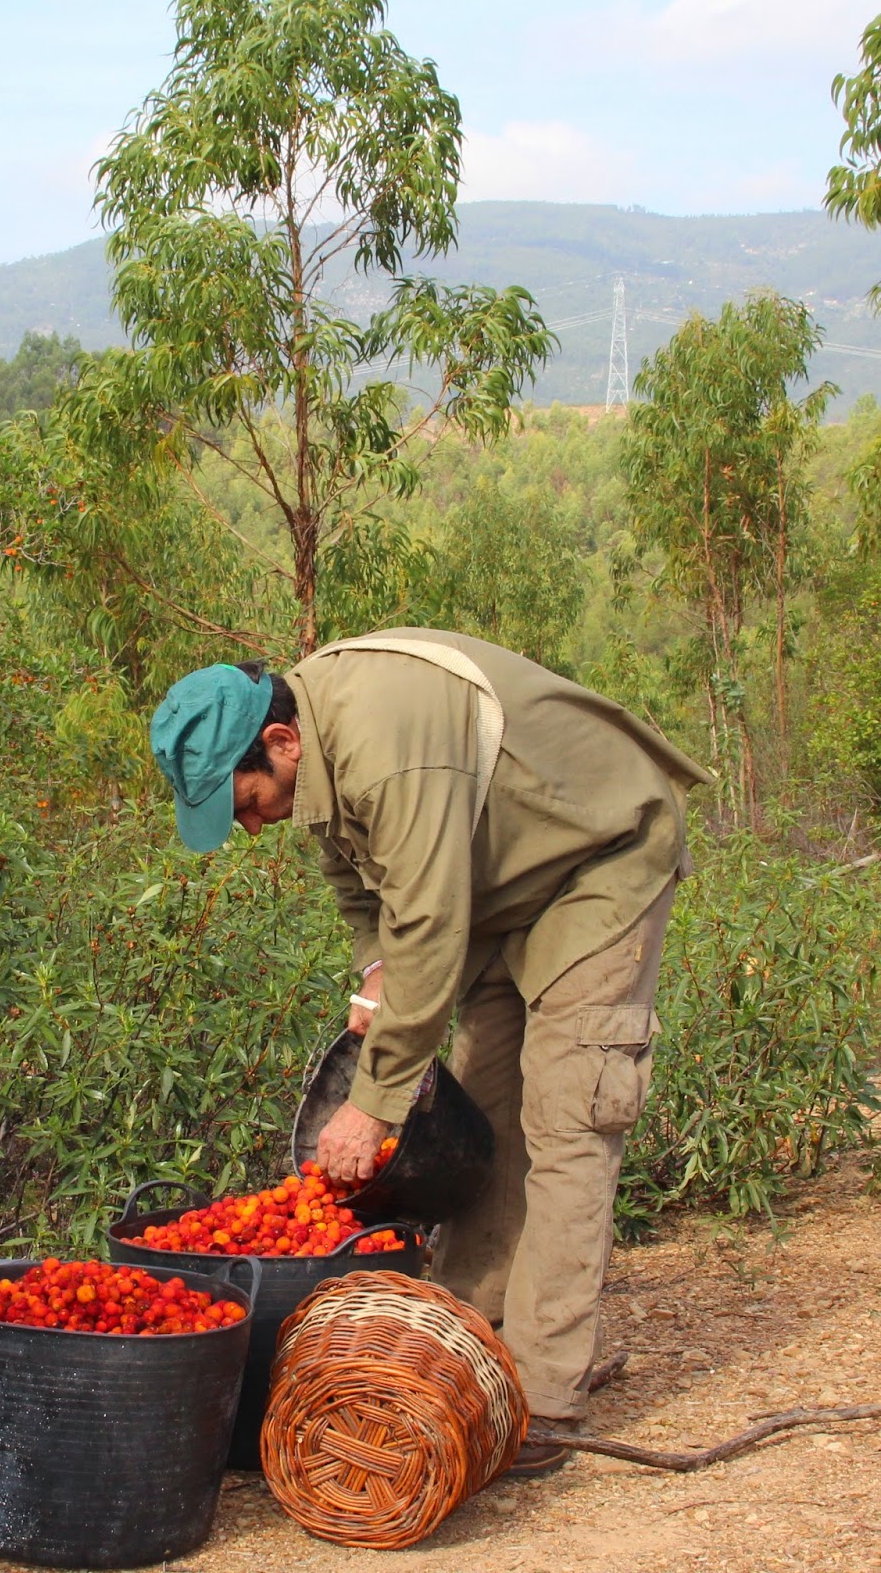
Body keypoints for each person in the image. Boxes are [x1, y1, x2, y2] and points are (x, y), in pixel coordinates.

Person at [150, 629, 710, 1472]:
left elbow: (431, 922)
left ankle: (544, 1397)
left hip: (594, 859)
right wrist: (374, 969)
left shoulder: (382, 748)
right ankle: (470, 1346)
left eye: (247, 803)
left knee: (567, 1116)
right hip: (498, 888)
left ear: (280, 741)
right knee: (483, 1120)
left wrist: (371, 1107)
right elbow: (355, 882)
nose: (253, 825)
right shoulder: (312, 746)